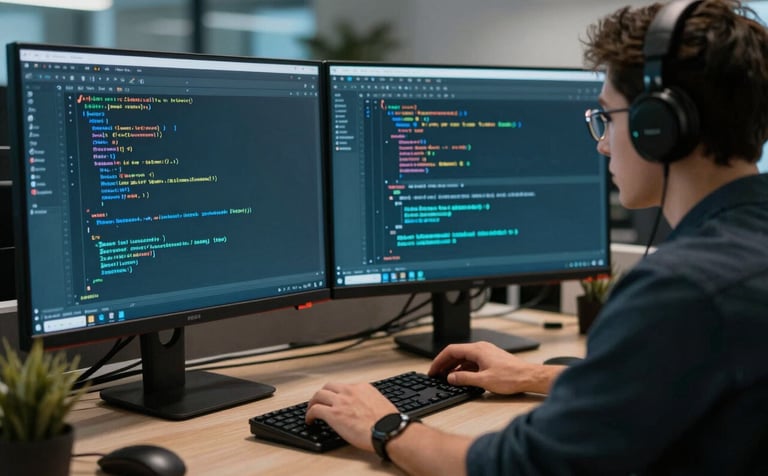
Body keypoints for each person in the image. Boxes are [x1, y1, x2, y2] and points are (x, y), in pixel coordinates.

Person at [305, 0, 768, 474]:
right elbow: (669, 382)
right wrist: (532, 374)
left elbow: (519, 466)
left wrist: (386, 427)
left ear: (659, 126)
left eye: (608, 117)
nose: (601, 143)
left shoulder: (683, 291)